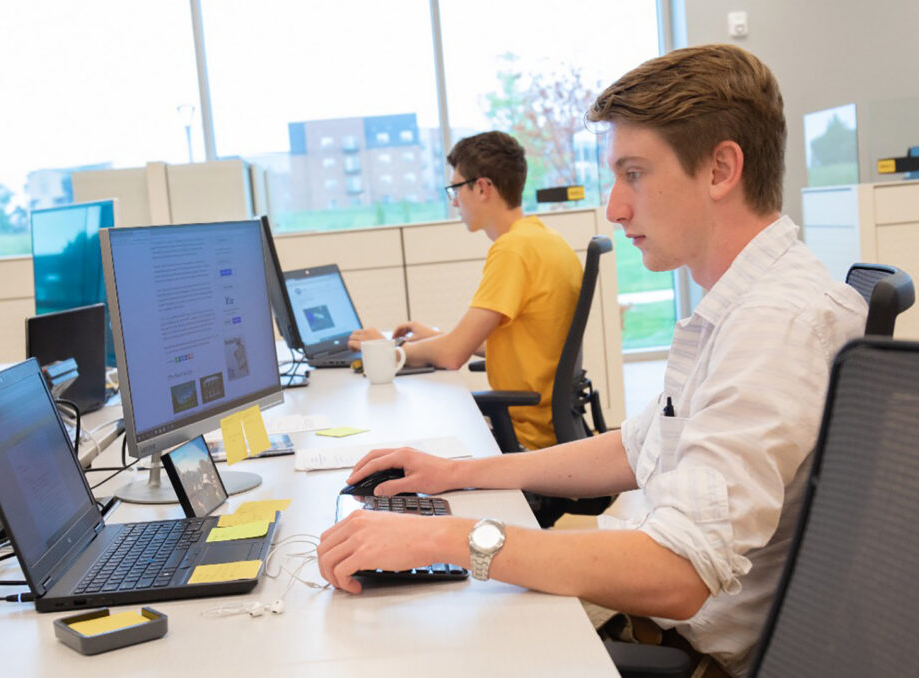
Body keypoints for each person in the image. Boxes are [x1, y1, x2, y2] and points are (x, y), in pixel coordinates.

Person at [317, 44, 867, 677]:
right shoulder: (743, 304)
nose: (615, 206)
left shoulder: (775, 325)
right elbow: (636, 449)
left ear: (721, 169)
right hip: (669, 628)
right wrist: (458, 472)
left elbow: (677, 573)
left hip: (695, 654)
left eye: (633, 173)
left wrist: (445, 539)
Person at [348, 131, 581, 451]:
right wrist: (436, 336)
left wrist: (387, 351)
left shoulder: (513, 250)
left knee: (400, 438)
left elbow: (451, 355)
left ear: (482, 187)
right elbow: (530, 345)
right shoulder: (545, 240)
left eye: (456, 189)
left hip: (526, 439)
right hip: (550, 429)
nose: (455, 201)